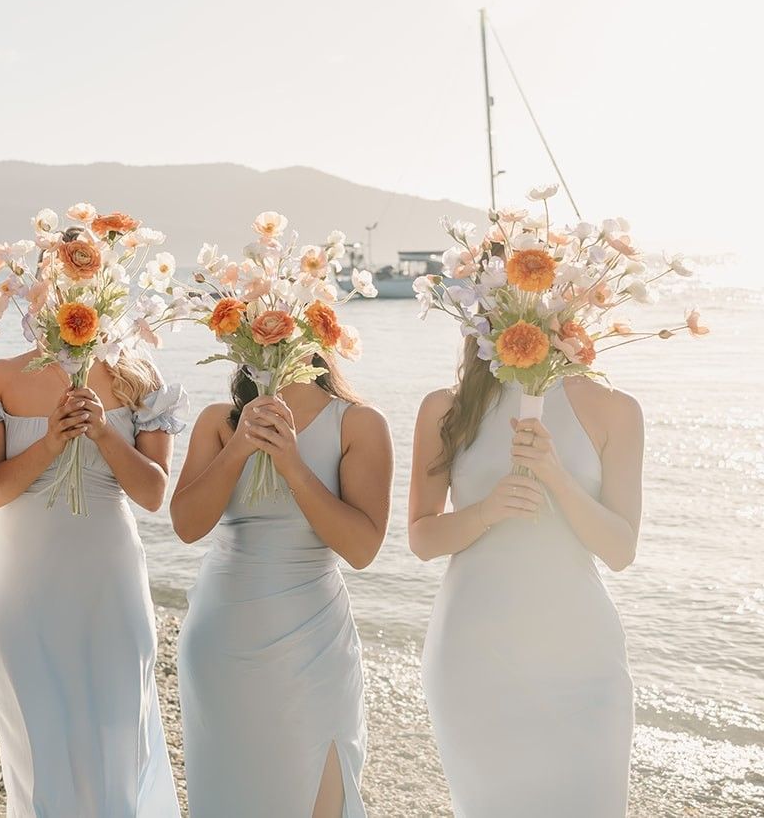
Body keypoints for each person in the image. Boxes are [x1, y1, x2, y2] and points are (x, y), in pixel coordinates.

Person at [410, 338, 641, 816]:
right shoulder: (447, 408)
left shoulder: (615, 409)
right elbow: (423, 538)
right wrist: (487, 511)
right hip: (476, 656)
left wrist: (554, 474)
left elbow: (620, 550)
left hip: (581, 661)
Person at [172, 362, 392, 817]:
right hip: (222, 642)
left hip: (313, 641)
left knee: (319, 794)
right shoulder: (220, 421)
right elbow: (187, 526)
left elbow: (362, 549)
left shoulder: (358, 423)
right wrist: (237, 449)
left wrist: (293, 464)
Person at [0, 346, 184, 817]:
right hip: (22, 584)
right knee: (36, 746)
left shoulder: (138, 375)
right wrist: (50, 441)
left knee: (115, 743)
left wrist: (104, 432)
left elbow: (152, 494)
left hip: (108, 585)